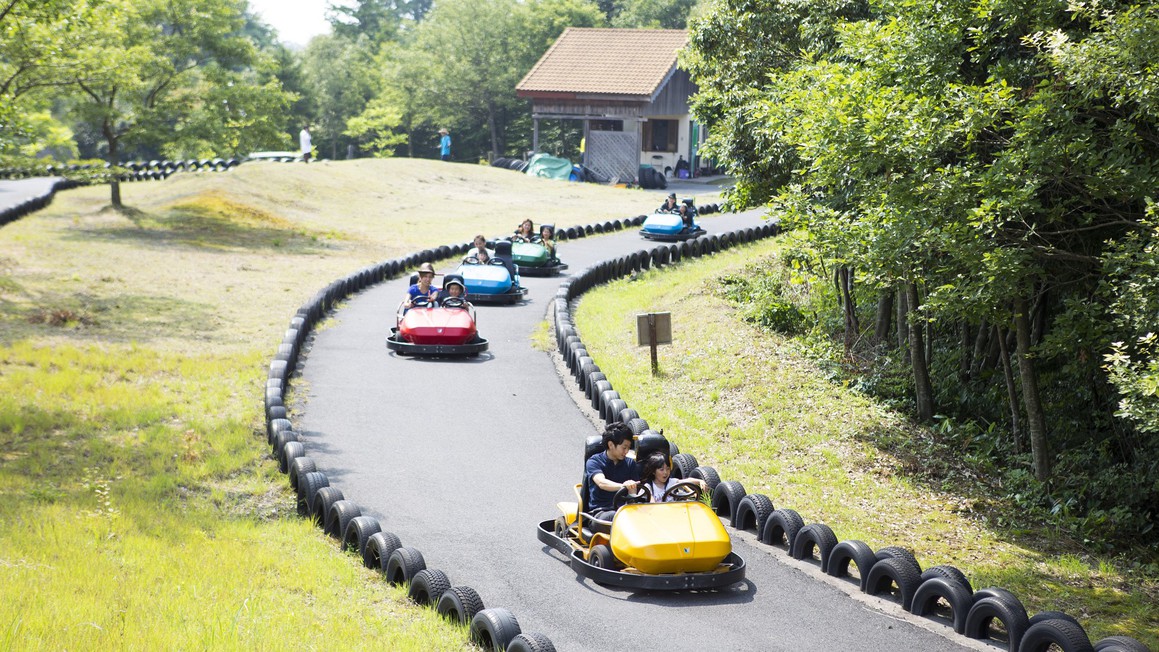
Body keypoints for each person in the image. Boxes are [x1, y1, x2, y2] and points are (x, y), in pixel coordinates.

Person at [584, 422, 640, 521]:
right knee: (618, 516)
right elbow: (602, 483)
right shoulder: (594, 461)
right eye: (624, 447)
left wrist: (632, 490)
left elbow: (633, 492)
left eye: (628, 448)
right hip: (600, 513)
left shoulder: (630, 464)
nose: (627, 451)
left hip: (623, 510)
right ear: (611, 445)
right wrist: (623, 486)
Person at [640, 453, 706, 503]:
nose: (665, 472)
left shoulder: (671, 482)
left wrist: (700, 481)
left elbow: (686, 481)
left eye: (668, 469)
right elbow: (652, 504)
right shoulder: (649, 487)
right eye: (661, 469)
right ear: (653, 472)